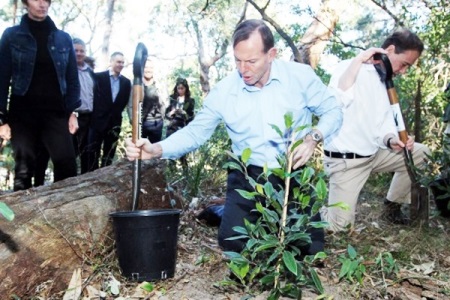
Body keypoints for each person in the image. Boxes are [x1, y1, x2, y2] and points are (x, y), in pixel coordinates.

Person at [125, 19, 342, 255]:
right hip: (247, 174)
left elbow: (333, 111)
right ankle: (227, 212)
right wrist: (156, 149)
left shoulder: (300, 77)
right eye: (237, 60)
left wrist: (313, 137)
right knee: (234, 245)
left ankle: (257, 217)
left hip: (293, 173)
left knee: (309, 251)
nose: (243, 69)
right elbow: (196, 131)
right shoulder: (225, 91)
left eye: (251, 61)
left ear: (271, 54)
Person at [321, 29, 430, 232]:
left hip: (374, 154)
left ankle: (392, 207)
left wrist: (392, 141)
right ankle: (310, 211)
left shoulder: (385, 82)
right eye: (404, 64)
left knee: (421, 153)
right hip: (347, 162)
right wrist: (359, 60)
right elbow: (336, 101)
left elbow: (385, 128)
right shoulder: (349, 67)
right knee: (339, 228)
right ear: (389, 50)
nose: (404, 71)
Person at [0, 0, 80, 191]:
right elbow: (1, 78)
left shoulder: (63, 38)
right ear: (26, 3)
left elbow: (72, 78)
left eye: (46, 0)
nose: (42, 4)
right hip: (22, 113)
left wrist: (72, 112)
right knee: (24, 169)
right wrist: (2, 119)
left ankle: (64, 214)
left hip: (56, 112)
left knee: (67, 164)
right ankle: (22, 218)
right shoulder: (11, 36)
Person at [87, 51, 131, 171]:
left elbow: (125, 103)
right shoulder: (98, 77)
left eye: (122, 62)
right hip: (97, 122)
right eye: (118, 62)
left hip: (114, 123)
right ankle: (91, 177)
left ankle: (105, 177)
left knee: (109, 153)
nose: (120, 64)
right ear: (111, 62)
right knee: (92, 152)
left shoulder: (126, 83)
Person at [72, 38, 96, 174]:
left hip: (89, 117)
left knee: (88, 151)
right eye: (76, 50)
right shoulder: (66, 71)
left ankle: (86, 180)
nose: (79, 53)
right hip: (72, 117)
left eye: (82, 51)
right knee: (71, 152)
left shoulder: (90, 72)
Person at [127, 58, 165, 143]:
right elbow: (130, 105)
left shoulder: (159, 84)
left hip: (157, 123)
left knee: (154, 151)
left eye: (151, 68)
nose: (148, 70)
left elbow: (165, 102)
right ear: (142, 68)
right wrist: (133, 121)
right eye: (146, 67)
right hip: (141, 124)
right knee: (139, 150)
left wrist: (163, 117)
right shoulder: (135, 84)